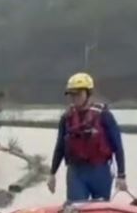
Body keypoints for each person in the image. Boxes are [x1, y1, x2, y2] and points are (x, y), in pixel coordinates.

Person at [47, 72, 127, 202]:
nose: (75, 98)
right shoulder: (66, 118)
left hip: (100, 171)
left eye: (78, 94)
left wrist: (121, 175)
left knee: (100, 212)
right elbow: (60, 147)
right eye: (72, 94)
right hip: (76, 172)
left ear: (88, 93)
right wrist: (52, 174)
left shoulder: (104, 115)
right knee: (75, 209)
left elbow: (117, 146)